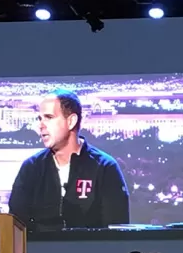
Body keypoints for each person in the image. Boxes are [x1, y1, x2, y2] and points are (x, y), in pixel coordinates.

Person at [8, 89, 130, 231]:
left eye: (49, 117)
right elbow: (15, 226)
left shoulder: (104, 167)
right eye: (40, 119)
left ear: (71, 121)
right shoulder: (31, 168)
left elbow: (116, 229)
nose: (41, 125)